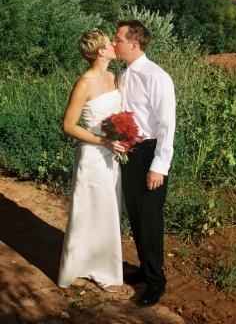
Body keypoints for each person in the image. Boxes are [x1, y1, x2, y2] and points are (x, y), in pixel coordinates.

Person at [113, 20, 176, 306]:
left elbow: (167, 124)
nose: (115, 44)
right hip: (129, 152)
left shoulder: (156, 76)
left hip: (150, 154)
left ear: (134, 44)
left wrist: (159, 166)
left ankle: (156, 281)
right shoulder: (123, 74)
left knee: (150, 220)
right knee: (136, 216)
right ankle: (144, 268)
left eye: (118, 39)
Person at [58, 29, 126, 292]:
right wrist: (103, 141)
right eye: (110, 43)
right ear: (100, 51)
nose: (113, 46)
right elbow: (68, 126)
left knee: (109, 209)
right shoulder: (85, 82)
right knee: (90, 209)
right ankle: (82, 266)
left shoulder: (113, 77)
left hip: (115, 154)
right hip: (93, 154)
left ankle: (103, 267)